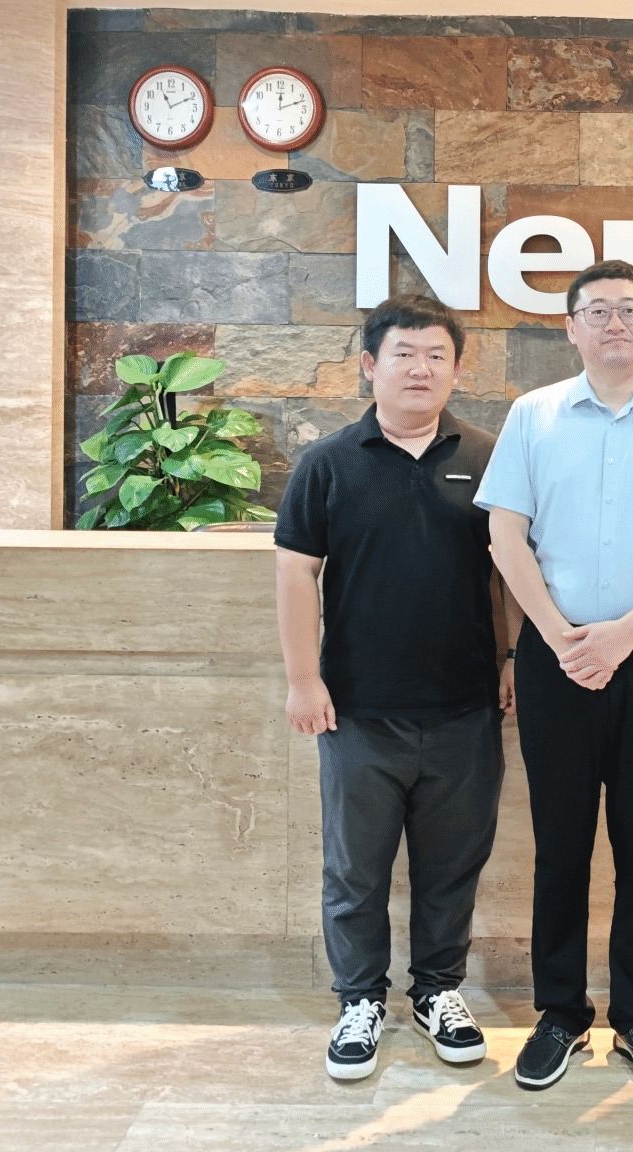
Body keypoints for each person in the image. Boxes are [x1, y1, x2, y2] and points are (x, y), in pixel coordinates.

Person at [474, 260, 633, 1098]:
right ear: (571, 328)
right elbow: (506, 537)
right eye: (597, 311)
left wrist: (625, 635)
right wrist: (557, 636)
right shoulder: (533, 416)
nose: (614, 323)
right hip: (556, 658)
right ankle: (560, 1013)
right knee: (560, 845)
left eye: (630, 309)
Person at [274, 294, 514, 1082]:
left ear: (456, 369)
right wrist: (303, 679)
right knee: (356, 870)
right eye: (404, 354)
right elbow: (296, 574)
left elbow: (514, 568)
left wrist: (514, 658)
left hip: (465, 708)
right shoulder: (328, 464)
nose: (421, 368)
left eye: (437, 355)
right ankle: (360, 1000)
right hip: (357, 711)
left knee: (453, 866)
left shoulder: (489, 457)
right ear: (370, 366)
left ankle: (439, 991)